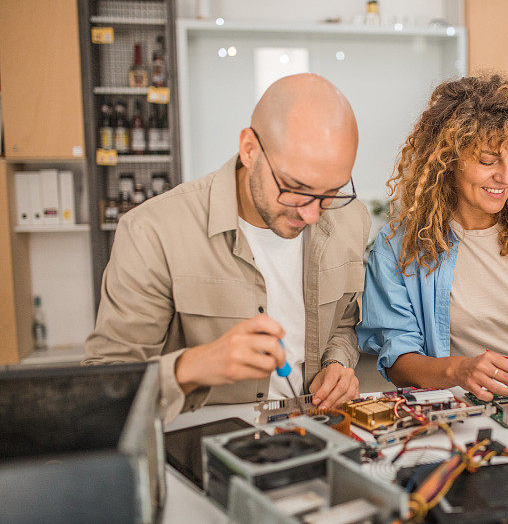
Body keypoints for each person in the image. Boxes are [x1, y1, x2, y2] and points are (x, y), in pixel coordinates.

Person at [84, 74, 370, 422]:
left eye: (330, 193)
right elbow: (106, 385)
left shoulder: (350, 219)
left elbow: (342, 323)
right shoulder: (153, 232)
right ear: (249, 149)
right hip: (197, 449)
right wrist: (194, 366)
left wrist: (336, 363)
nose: (312, 214)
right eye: (296, 188)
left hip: (310, 435)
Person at [357, 75, 508, 401]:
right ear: (447, 160)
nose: (505, 177)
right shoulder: (398, 249)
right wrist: (458, 371)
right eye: (488, 161)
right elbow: (397, 361)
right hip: (453, 406)